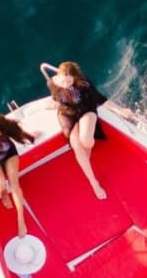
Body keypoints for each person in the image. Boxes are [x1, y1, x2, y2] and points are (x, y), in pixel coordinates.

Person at [46, 60, 133, 201]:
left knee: (86, 141)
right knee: (76, 143)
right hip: (67, 112)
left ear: (75, 78)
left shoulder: (84, 83)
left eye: (69, 82)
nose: (66, 85)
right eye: (63, 81)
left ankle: (86, 155)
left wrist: (120, 110)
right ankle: (93, 181)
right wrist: (54, 104)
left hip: (86, 109)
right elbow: (57, 98)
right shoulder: (52, 83)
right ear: (58, 76)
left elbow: (100, 99)